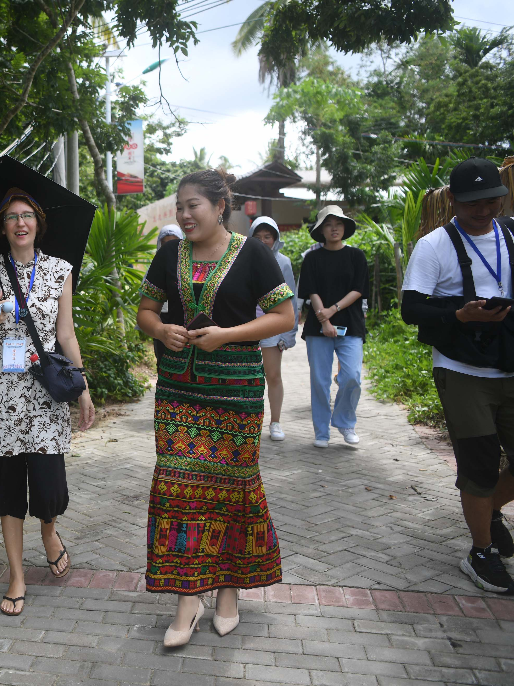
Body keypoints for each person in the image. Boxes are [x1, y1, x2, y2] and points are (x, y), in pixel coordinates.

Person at [137, 169, 295, 647]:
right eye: (179, 207)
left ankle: (228, 587)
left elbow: (284, 316)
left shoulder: (253, 253)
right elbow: (145, 311)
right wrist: (161, 329)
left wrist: (227, 335)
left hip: (236, 392)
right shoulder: (169, 254)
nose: (184, 215)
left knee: (231, 489)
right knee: (179, 490)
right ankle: (188, 598)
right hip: (179, 391)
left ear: (220, 206)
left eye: (194, 206)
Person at [0, 187, 97, 616]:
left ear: (38, 223)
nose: (20, 223)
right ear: (2, 227)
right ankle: (16, 575)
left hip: (41, 390)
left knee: (49, 483)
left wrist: (83, 387)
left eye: (27, 215)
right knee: (8, 486)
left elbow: (66, 333)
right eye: (11, 217)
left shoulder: (59, 270)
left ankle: (49, 532)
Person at [401, 157, 514, 594]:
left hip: (509, 362)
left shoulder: (511, 234)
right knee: (479, 464)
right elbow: (412, 309)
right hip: (461, 369)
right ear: (452, 199)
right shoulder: (434, 246)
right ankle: (480, 552)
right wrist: (459, 315)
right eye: (472, 204)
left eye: (491, 201)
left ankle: (490, 511)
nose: (483, 211)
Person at [297, 206, 368, 448]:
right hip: (318, 328)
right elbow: (311, 291)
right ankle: (321, 432)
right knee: (320, 380)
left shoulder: (356, 256)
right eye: (328, 224)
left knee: (352, 376)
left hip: (351, 324)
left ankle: (345, 422)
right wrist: (324, 320)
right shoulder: (312, 258)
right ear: (321, 230)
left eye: (338, 224)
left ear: (345, 227)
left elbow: (358, 290)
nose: (334, 228)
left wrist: (333, 310)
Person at [247, 216, 299, 441]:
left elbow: (292, 299)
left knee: (273, 375)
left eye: (267, 237)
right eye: (258, 237)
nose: (263, 241)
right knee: (247, 376)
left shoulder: (283, 262)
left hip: (273, 326)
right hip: (246, 325)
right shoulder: (242, 259)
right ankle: (248, 421)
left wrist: (288, 334)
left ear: (275, 239)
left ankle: (275, 422)